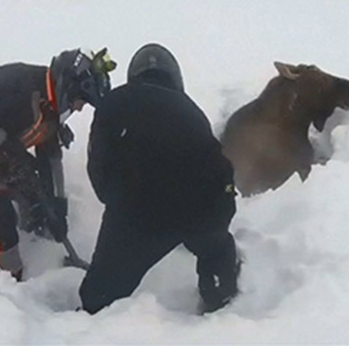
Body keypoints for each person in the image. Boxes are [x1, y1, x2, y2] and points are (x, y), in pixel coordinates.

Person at [79, 43, 240, 314]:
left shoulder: (114, 102)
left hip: (137, 212)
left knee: (98, 299)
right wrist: (217, 224)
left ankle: (92, 317)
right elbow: (220, 170)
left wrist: (118, 204)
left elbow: (99, 166)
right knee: (216, 247)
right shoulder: (192, 111)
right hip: (196, 208)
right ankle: (220, 299)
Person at [0, 48, 117, 281]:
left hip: (2, 156)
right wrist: (6, 148)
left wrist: (57, 206)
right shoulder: (15, 82)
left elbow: (50, 159)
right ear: (68, 86)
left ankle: (42, 255)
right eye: (80, 101)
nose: (80, 108)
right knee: (0, 212)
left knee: (39, 206)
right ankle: (9, 278)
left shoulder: (51, 111)